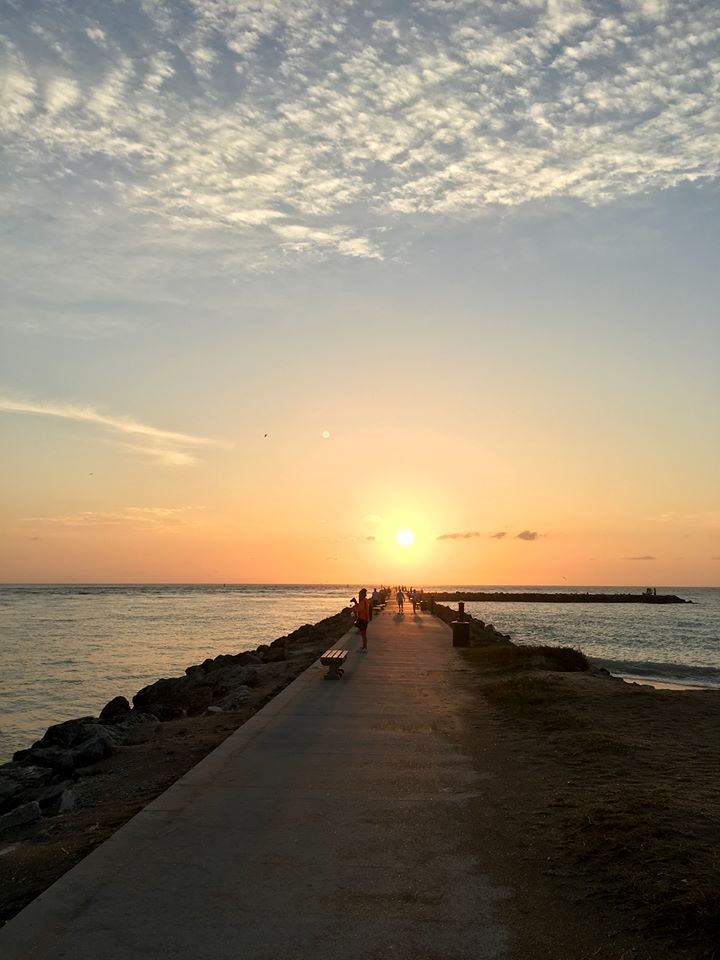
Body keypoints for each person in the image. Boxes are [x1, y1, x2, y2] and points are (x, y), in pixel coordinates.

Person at [355, 587, 371, 651]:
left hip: (363, 619)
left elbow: (359, 610)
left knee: (363, 635)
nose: (359, 596)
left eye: (360, 595)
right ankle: (364, 646)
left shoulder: (363, 601)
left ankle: (365, 648)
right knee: (363, 634)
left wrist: (354, 608)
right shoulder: (366, 600)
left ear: (362, 595)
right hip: (365, 619)